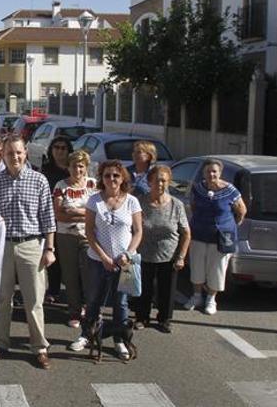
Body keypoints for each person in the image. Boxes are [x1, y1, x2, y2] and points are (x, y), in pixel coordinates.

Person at [0, 134, 57, 370]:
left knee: (34, 300)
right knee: (3, 298)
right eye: (10, 153)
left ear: (25, 153)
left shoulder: (39, 181)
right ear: (3, 155)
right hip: (3, 246)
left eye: (19, 152)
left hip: (31, 246)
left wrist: (50, 248)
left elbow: (48, 218)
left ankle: (39, 347)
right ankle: (1, 342)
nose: (15, 157)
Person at [68, 160, 142, 361]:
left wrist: (128, 253)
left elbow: (137, 232)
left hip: (124, 261)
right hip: (97, 260)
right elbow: (90, 232)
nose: (112, 179)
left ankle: (120, 339)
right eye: (107, 175)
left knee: (121, 302)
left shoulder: (132, 201)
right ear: (102, 178)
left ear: (123, 178)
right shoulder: (94, 201)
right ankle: (86, 335)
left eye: (116, 175)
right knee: (93, 300)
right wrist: (103, 257)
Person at [184, 158, 246, 315]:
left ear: (220, 173)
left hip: (221, 236)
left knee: (217, 268)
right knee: (197, 266)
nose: (211, 174)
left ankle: (211, 299)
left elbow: (241, 211)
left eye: (214, 171)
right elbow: (193, 206)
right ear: (203, 173)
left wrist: (231, 225)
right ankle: (196, 296)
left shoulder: (230, 190)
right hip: (199, 233)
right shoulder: (198, 189)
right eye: (208, 171)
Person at [135, 165, 190, 332]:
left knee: (167, 289)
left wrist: (181, 257)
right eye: (157, 180)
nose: (160, 184)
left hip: (169, 255)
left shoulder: (176, 205)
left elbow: (186, 233)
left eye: (164, 181)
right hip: (144, 254)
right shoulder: (140, 202)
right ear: (150, 181)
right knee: (144, 288)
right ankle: (141, 317)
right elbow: (132, 228)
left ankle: (164, 319)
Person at [52, 150, 97, 328]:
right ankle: (74, 311)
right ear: (68, 167)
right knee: (70, 275)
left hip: (89, 236)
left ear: (86, 168)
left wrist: (75, 212)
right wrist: (86, 214)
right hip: (66, 236)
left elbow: (98, 213)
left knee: (89, 274)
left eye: (81, 166)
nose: (77, 169)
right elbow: (59, 216)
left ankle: (89, 307)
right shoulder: (61, 186)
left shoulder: (94, 185)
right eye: (74, 166)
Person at [41, 136, 73, 304]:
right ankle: (53, 290)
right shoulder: (45, 170)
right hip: (51, 219)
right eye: (56, 147)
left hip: (71, 221)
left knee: (71, 261)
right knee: (53, 256)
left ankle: (72, 293)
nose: (60, 151)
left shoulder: (73, 170)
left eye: (63, 148)